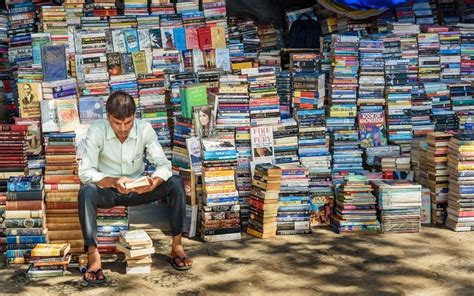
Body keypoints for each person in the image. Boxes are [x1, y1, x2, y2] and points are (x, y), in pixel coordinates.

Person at [78, 91, 192, 284]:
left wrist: (154, 181)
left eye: (128, 122)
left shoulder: (144, 129)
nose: (123, 128)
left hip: (139, 190)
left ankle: (177, 245)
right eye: (117, 123)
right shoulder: (97, 130)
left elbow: (163, 165)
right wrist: (113, 181)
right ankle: (93, 255)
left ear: (135, 116)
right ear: (108, 117)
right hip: (109, 191)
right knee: (86, 191)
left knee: (175, 182)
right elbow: (85, 172)